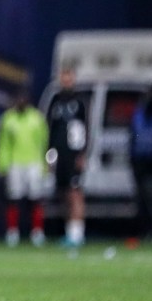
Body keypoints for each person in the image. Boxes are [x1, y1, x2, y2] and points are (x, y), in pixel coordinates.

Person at [0, 90, 49, 246]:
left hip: (34, 163)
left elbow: (43, 143)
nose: (21, 101)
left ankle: (37, 232)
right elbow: (3, 144)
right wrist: (3, 164)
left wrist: (44, 165)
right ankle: (12, 232)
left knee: (36, 199)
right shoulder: (8, 118)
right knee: (13, 199)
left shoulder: (37, 118)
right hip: (15, 164)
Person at [47, 68, 89, 247]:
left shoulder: (79, 102)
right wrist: (50, 155)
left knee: (75, 193)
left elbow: (86, 128)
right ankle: (69, 231)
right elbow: (51, 129)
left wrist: (83, 153)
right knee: (64, 193)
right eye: (63, 78)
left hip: (74, 154)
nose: (66, 81)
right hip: (60, 155)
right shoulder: (55, 100)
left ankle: (77, 233)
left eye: (69, 78)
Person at [130, 85, 152, 240]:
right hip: (141, 163)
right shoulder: (139, 114)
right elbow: (133, 138)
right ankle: (146, 231)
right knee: (144, 200)